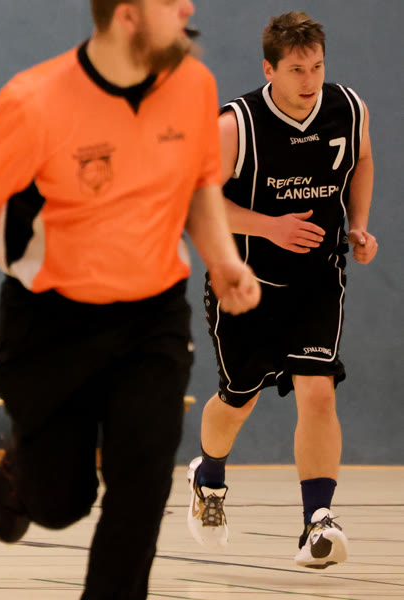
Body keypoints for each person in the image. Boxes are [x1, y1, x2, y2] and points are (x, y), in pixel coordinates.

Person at [0, 1, 260, 598]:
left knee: (145, 477)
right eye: (169, 1)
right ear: (127, 16)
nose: (187, 8)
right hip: (50, 322)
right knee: (61, 503)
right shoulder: (34, 101)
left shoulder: (193, 84)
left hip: (153, 316)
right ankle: (23, 469)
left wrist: (223, 260)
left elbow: (200, 183)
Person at [186, 12, 377, 569]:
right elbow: (197, 203)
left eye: (317, 66)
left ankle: (318, 521)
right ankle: (208, 476)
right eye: (297, 69)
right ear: (269, 69)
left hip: (318, 279)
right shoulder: (235, 125)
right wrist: (269, 227)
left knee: (319, 390)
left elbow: (362, 159)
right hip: (245, 284)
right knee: (238, 400)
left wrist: (359, 225)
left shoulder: (349, 109)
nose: (310, 79)